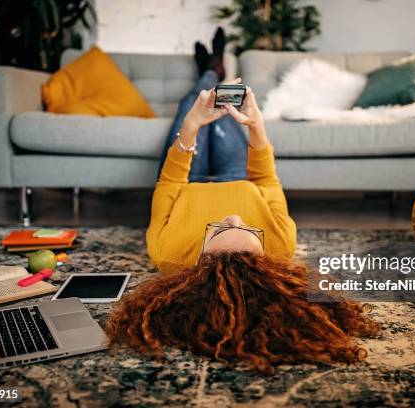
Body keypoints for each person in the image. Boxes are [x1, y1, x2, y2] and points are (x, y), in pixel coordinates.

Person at [106, 29, 378, 374]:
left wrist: (191, 128)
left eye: (219, 228)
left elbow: (169, 182)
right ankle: (213, 67)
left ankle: (208, 69)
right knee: (224, 109)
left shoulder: (169, 253)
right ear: (265, 266)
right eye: (248, 228)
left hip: (186, 176)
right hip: (239, 172)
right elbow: (266, 180)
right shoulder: (280, 246)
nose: (234, 215)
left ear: (200, 263)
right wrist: (257, 126)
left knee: (195, 105)